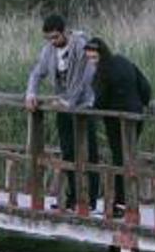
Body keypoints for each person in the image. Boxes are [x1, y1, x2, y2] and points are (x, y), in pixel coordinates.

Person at [25, 13, 100, 211]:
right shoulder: (48, 51)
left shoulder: (81, 44)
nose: (53, 42)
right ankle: (72, 198)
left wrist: (70, 102)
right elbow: (36, 73)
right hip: (62, 104)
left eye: (56, 37)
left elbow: (86, 77)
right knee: (68, 151)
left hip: (84, 105)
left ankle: (90, 201)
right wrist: (31, 93)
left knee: (90, 152)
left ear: (65, 31)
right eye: (49, 38)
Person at [85, 37, 152, 217]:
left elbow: (100, 100)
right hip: (136, 115)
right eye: (89, 59)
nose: (92, 62)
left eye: (93, 58)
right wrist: (140, 104)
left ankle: (121, 204)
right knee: (128, 157)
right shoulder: (124, 61)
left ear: (101, 55)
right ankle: (126, 203)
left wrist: (94, 110)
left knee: (119, 160)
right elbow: (145, 87)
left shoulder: (103, 71)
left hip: (117, 120)